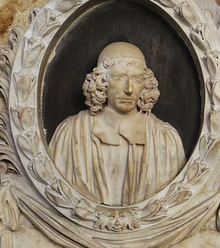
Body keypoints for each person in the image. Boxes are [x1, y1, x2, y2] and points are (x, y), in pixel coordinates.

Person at [49, 42, 186, 205]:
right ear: (102, 82)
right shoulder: (70, 134)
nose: (129, 89)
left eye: (136, 79)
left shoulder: (166, 139)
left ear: (145, 84)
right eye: (119, 78)